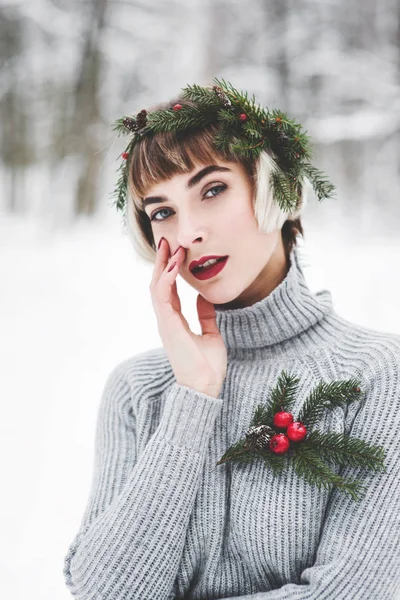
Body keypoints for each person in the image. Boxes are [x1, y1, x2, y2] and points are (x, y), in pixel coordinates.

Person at [63, 80, 400, 599]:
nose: (189, 230)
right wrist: (193, 398)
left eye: (213, 190)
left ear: (279, 192)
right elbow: (105, 591)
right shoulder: (138, 390)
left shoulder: (377, 375)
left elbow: (355, 592)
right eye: (161, 212)